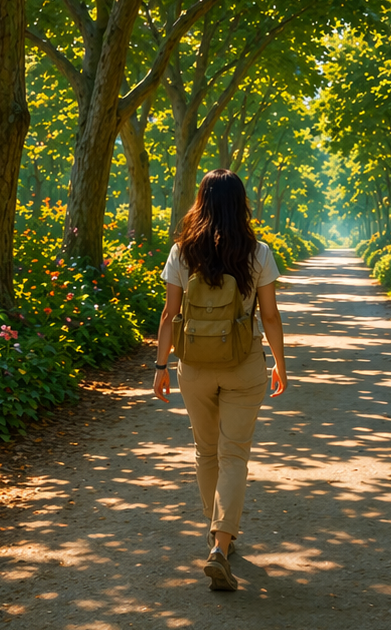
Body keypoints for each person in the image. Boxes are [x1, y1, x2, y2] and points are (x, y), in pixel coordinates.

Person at [152, 168, 287, 592]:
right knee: (234, 455)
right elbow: (268, 315)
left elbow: (169, 315)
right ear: (240, 203)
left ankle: (216, 537)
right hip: (243, 363)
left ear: (201, 202)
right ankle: (221, 545)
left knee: (205, 452)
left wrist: (159, 367)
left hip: (192, 365)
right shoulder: (258, 251)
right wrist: (280, 363)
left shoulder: (182, 251)